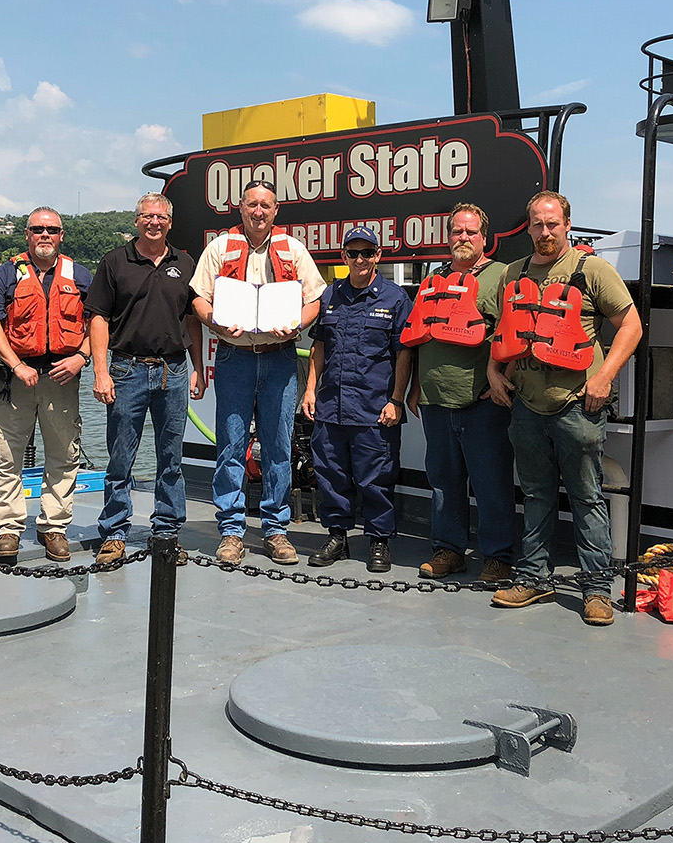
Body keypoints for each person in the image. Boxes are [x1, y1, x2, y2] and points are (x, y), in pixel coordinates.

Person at [484, 191, 643, 625]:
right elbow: (505, 333)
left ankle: (597, 590)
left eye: (552, 223)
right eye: (537, 224)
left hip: (578, 406)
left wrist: (605, 375)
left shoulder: (592, 270)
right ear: (528, 227)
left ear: (567, 224)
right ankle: (534, 578)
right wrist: (494, 372)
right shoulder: (513, 274)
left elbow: (631, 325)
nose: (545, 232)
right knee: (535, 495)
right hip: (527, 406)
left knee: (587, 496)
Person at [191, 180, 327, 566]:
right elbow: (199, 298)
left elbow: (314, 300)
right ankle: (231, 532)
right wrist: (215, 323)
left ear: (276, 210)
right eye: (252, 205)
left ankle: (275, 529)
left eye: (265, 206)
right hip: (234, 357)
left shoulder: (293, 249)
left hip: (280, 356)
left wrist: (296, 325)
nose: (258, 212)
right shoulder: (219, 248)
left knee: (279, 445)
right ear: (241, 208)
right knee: (231, 444)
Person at [87, 193, 206, 565]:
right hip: (126, 369)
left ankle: (167, 533)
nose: (153, 222)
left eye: (160, 217)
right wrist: (101, 371)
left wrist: (198, 366)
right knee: (121, 457)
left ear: (170, 222)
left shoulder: (185, 263)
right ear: (136, 221)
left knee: (171, 458)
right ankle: (115, 532)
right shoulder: (114, 262)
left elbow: (192, 320)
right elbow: (98, 318)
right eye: (146, 216)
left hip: (173, 370)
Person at [406, 203, 517, 584]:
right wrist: (415, 388)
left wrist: (501, 379)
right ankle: (448, 550)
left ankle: (498, 556)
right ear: (447, 236)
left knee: (491, 481)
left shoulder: (502, 276)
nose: (463, 238)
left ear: (485, 238)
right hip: (436, 400)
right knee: (443, 481)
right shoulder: (432, 277)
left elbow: (519, 332)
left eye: (471, 232)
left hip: (481, 402)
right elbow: (418, 336)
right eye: (457, 231)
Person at [0, 207, 93, 564]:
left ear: (62, 235)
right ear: (26, 234)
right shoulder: (5, 275)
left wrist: (82, 358)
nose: (45, 235)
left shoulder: (81, 276)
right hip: (16, 377)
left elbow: (101, 322)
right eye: (38, 229)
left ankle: (53, 527)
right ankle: (9, 529)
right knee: (6, 454)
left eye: (52, 229)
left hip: (62, 376)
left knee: (63, 453)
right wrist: (15, 364)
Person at [301, 226, 413, 572]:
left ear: (378, 255)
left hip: (373, 408)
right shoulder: (330, 296)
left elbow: (404, 354)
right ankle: (338, 537)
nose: (360, 259)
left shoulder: (394, 299)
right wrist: (309, 390)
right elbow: (318, 347)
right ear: (343, 257)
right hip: (331, 406)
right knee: (331, 474)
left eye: (367, 252)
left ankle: (379, 540)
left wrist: (396, 399)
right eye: (353, 253)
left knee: (375, 478)